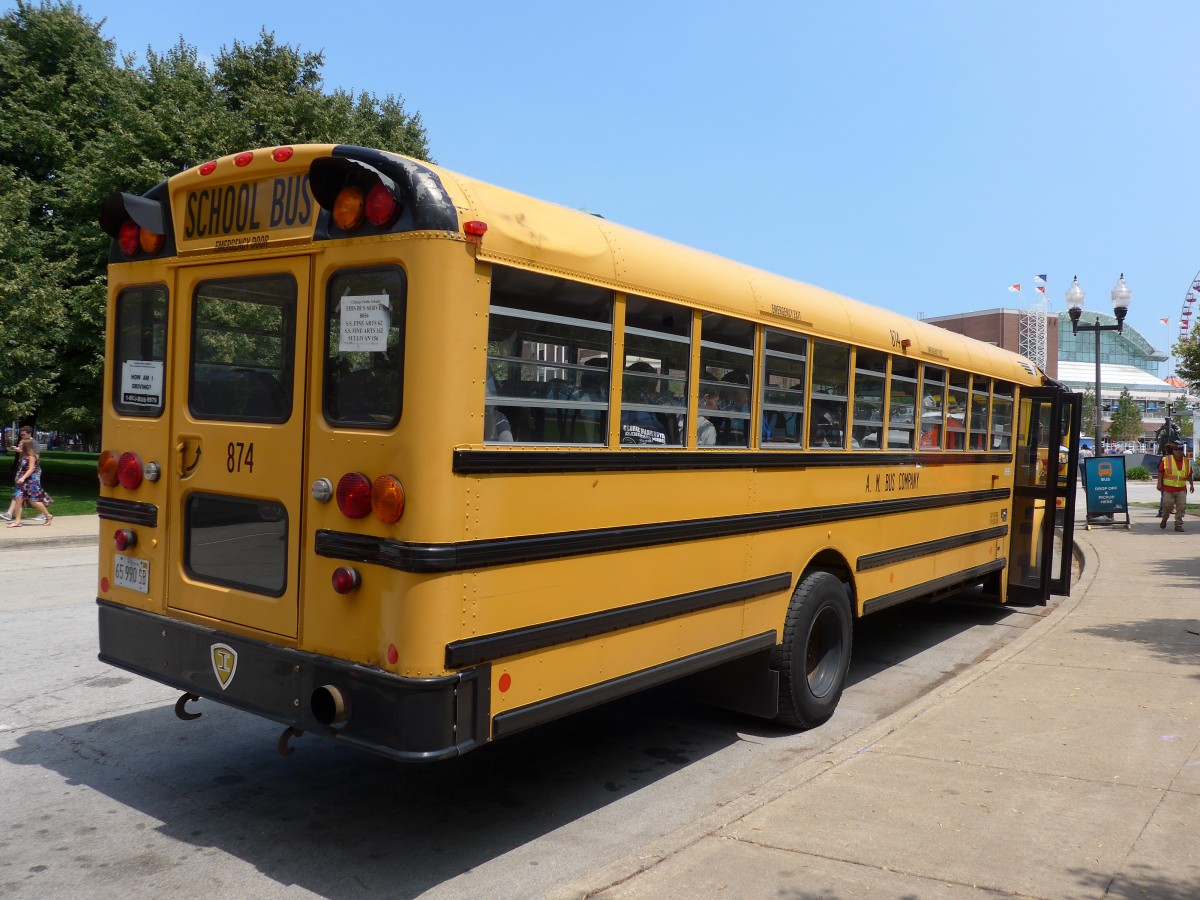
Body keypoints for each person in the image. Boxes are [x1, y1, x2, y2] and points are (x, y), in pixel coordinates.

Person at [7, 437, 53, 527]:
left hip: (30, 481)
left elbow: (31, 469)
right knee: (18, 500)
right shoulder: (23, 455)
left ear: (26, 446)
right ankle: (17, 521)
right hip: (21, 481)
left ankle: (48, 516)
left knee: (33, 501)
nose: (19, 445)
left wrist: (23, 478)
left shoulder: (31, 456)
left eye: (21, 444)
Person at [1158, 441, 1194, 532]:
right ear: (1173, 451)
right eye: (1177, 451)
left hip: (1181, 488)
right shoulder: (1166, 460)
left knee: (1181, 506)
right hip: (1168, 488)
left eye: (1181, 451)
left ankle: (1178, 524)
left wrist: (1191, 485)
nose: (1179, 453)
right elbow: (1161, 472)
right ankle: (1164, 519)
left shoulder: (1187, 462)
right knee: (1167, 505)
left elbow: (1189, 474)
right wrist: (1159, 484)